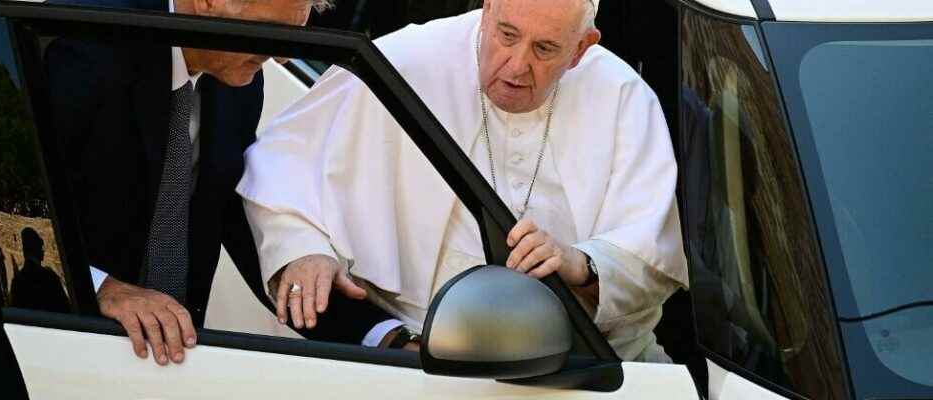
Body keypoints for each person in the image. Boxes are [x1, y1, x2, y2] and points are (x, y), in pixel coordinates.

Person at [238, 0, 689, 361]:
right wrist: (303, 248)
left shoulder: (623, 97)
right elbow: (281, 163)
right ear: (487, 9)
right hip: (414, 360)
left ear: (581, 48)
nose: (516, 65)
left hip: (585, 367)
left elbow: (653, 254)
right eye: (506, 35)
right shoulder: (409, 59)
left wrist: (581, 263)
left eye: (545, 49)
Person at [43, 0, 393, 366]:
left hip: (160, 364)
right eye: (274, 32)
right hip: (52, 348)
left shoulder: (236, 81)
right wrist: (98, 286)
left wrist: (379, 335)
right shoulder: (82, 42)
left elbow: (232, 211)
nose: (283, 58)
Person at [9, 227, 71, 313]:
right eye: (41, 247)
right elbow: (65, 309)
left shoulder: (16, 281)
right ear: (36, 247)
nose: (43, 251)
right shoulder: (49, 276)